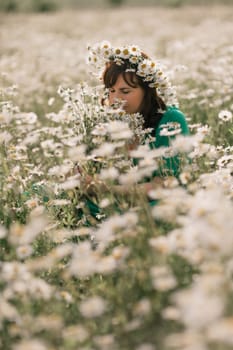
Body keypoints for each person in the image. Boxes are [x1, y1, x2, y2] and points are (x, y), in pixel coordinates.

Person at [81, 41, 190, 219]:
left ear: (148, 90)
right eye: (111, 90)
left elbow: (165, 185)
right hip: (121, 201)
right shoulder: (109, 122)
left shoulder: (170, 120)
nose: (115, 99)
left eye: (125, 91)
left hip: (158, 202)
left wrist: (105, 188)